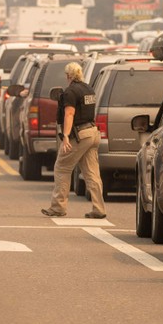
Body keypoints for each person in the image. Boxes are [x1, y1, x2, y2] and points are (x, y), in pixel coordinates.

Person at [41, 62, 107, 219]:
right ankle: (99, 209)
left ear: (68, 75)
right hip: (92, 132)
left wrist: (65, 136)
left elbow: (69, 114)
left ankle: (58, 208)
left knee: (62, 167)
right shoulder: (88, 89)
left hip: (80, 135)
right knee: (92, 173)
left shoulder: (70, 92)